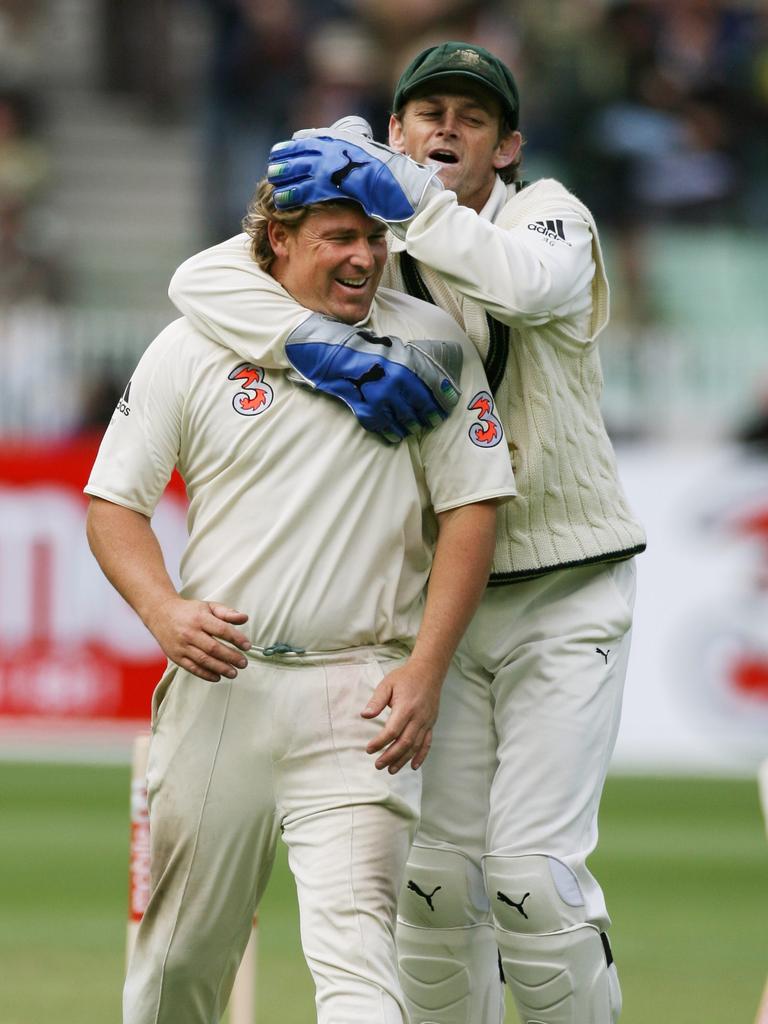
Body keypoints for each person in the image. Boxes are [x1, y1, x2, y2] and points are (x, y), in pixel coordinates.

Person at [168, 41, 647, 1024]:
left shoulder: (545, 211)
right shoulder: (369, 243)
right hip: (442, 603)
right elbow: (200, 282)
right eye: (426, 113)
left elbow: (528, 286)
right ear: (396, 127)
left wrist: (401, 193)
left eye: (471, 118)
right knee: (433, 889)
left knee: (533, 883)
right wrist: (304, 339)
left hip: (566, 587)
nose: (445, 130)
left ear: (506, 144)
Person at [85, 178, 515, 1024]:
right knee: (178, 969)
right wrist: (165, 612)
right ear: (278, 237)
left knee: (358, 962)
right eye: (338, 237)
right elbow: (114, 507)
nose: (364, 257)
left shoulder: (428, 341)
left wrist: (426, 668)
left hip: (361, 693)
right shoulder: (193, 344)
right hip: (222, 688)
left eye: (374, 238)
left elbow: (474, 509)